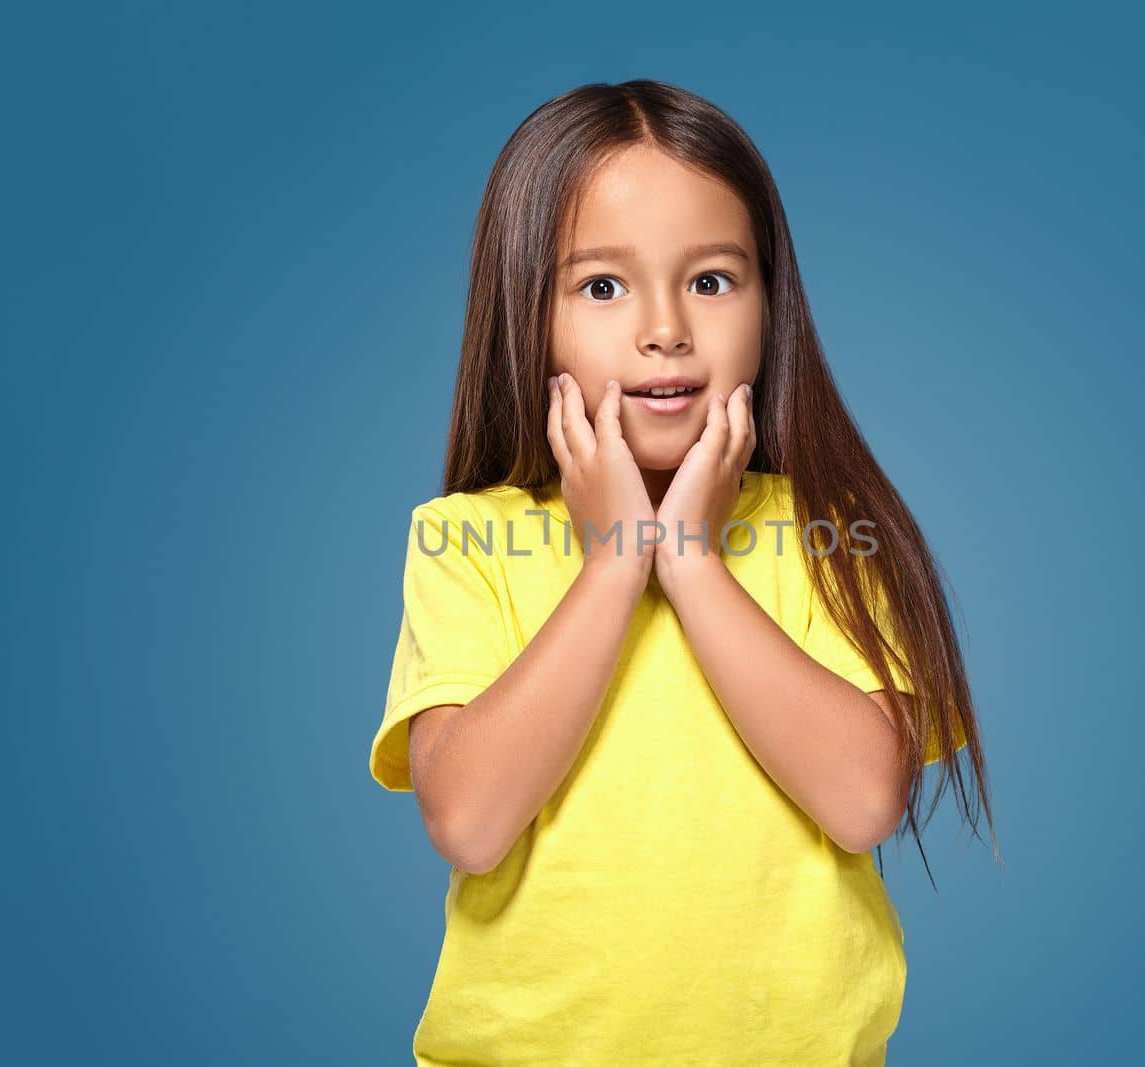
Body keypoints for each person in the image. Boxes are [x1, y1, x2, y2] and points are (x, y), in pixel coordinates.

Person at [369, 78, 998, 1066]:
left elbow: (861, 798)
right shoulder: (466, 539)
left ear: (769, 302)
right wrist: (617, 560)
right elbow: (472, 819)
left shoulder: (835, 533)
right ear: (525, 314)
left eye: (709, 280)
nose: (665, 327)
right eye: (602, 285)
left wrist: (692, 560)